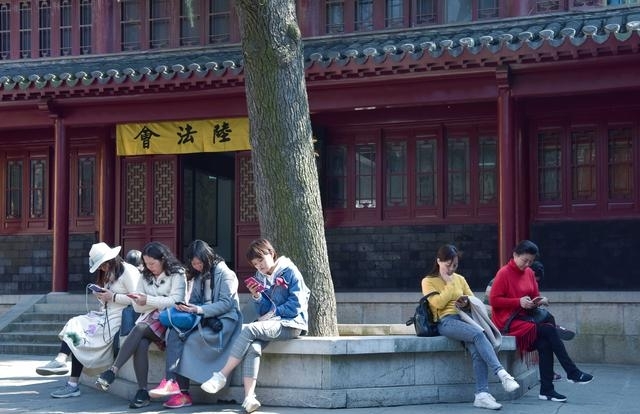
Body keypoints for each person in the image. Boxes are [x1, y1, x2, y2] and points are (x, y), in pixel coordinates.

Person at [199, 238, 310, 413]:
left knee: (248, 328)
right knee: (253, 348)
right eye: (256, 264)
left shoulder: (290, 271)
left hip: (292, 323)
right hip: (271, 324)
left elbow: (296, 306)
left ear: (271, 253)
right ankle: (249, 398)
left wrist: (272, 314)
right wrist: (257, 296)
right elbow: (262, 311)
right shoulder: (260, 277)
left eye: (261, 261)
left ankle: (222, 375)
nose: (260, 267)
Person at [490, 240, 593, 403]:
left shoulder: (530, 273)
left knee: (545, 344)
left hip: (527, 318)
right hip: (508, 322)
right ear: (515, 255)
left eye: (531, 261)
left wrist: (540, 300)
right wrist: (518, 302)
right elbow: (494, 300)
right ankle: (572, 372)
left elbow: (534, 294)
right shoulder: (504, 273)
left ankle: (547, 390)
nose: (528, 264)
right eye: (525, 260)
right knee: (550, 331)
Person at [35, 242, 140, 398]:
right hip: (104, 315)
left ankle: (72, 383)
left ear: (111, 260)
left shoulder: (128, 271)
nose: (102, 269)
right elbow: (109, 300)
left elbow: (137, 299)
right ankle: (61, 359)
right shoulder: (109, 273)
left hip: (118, 318)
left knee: (82, 338)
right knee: (75, 324)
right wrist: (102, 297)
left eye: (103, 265)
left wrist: (113, 296)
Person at [422, 244, 520, 410]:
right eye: (448, 265)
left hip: (466, 319)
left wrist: (466, 302)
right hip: (446, 321)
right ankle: (502, 374)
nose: (451, 269)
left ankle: (481, 395)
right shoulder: (428, 281)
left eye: (455, 265)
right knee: (478, 334)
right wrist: (449, 284)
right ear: (438, 261)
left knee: (477, 351)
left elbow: (474, 300)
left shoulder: (460, 278)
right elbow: (437, 304)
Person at [148, 240, 242, 409]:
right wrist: (186, 307)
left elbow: (226, 304)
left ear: (208, 259)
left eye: (199, 263)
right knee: (174, 332)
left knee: (188, 341)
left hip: (223, 321)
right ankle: (174, 385)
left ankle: (181, 390)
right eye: (194, 264)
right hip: (203, 317)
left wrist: (198, 309)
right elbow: (195, 300)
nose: (197, 267)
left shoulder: (225, 274)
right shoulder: (199, 275)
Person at [95, 241, 187, 409]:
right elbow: (137, 305)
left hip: (172, 320)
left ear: (163, 259)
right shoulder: (145, 275)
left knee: (140, 328)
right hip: (150, 318)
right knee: (141, 342)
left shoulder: (177, 273)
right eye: (146, 263)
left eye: (152, 263)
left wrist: (149, 301)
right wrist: (153, 303)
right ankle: (142, 391)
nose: (149, 267)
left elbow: (177, 302)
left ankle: (113, 371)